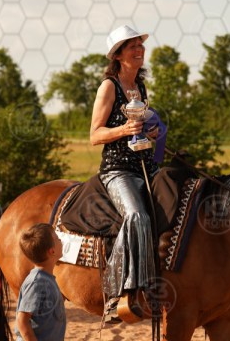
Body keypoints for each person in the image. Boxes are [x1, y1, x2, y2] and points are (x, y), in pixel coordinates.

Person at [90, 25, 160, 320]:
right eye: (132, 46)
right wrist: (124, 129)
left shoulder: (140, 87)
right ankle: (115, 292)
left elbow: (140, 129)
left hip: (146, 166)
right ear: (118, 55)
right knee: (136, 216)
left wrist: (151, 132)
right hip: (117, 170)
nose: (139, 50)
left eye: (140, 45)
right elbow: (94, 135)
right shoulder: (109, 86)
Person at [15, 223, 66, 341]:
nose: (60, 240)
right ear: (52, 251)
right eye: (57, 238)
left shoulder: (45, 278)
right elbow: (22, 320)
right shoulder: (37, 282)